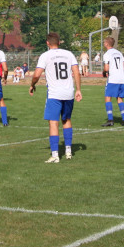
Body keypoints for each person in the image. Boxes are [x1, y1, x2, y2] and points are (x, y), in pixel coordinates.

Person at [29, 32, 82, 163]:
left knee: (53, 122)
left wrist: (32, 84)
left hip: (54, 94)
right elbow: (76, 72)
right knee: (67, 120)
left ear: (47, 43)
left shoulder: (45, 56)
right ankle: (69, 151)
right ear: (59, 42)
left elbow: (36, 74)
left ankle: (55, 155)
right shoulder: (69, 54)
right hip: (69, 92)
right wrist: (79, 90)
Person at [101, 37, 124, 127]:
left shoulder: (107, 54)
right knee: (120, 98)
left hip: (113, 79)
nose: (103, 43)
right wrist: (119, 70)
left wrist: (104, 72)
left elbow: (106, 68)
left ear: (106, 44)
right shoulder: (119, 53)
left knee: (107, 97)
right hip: (122, 78)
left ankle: (110, 120)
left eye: (104, 42)